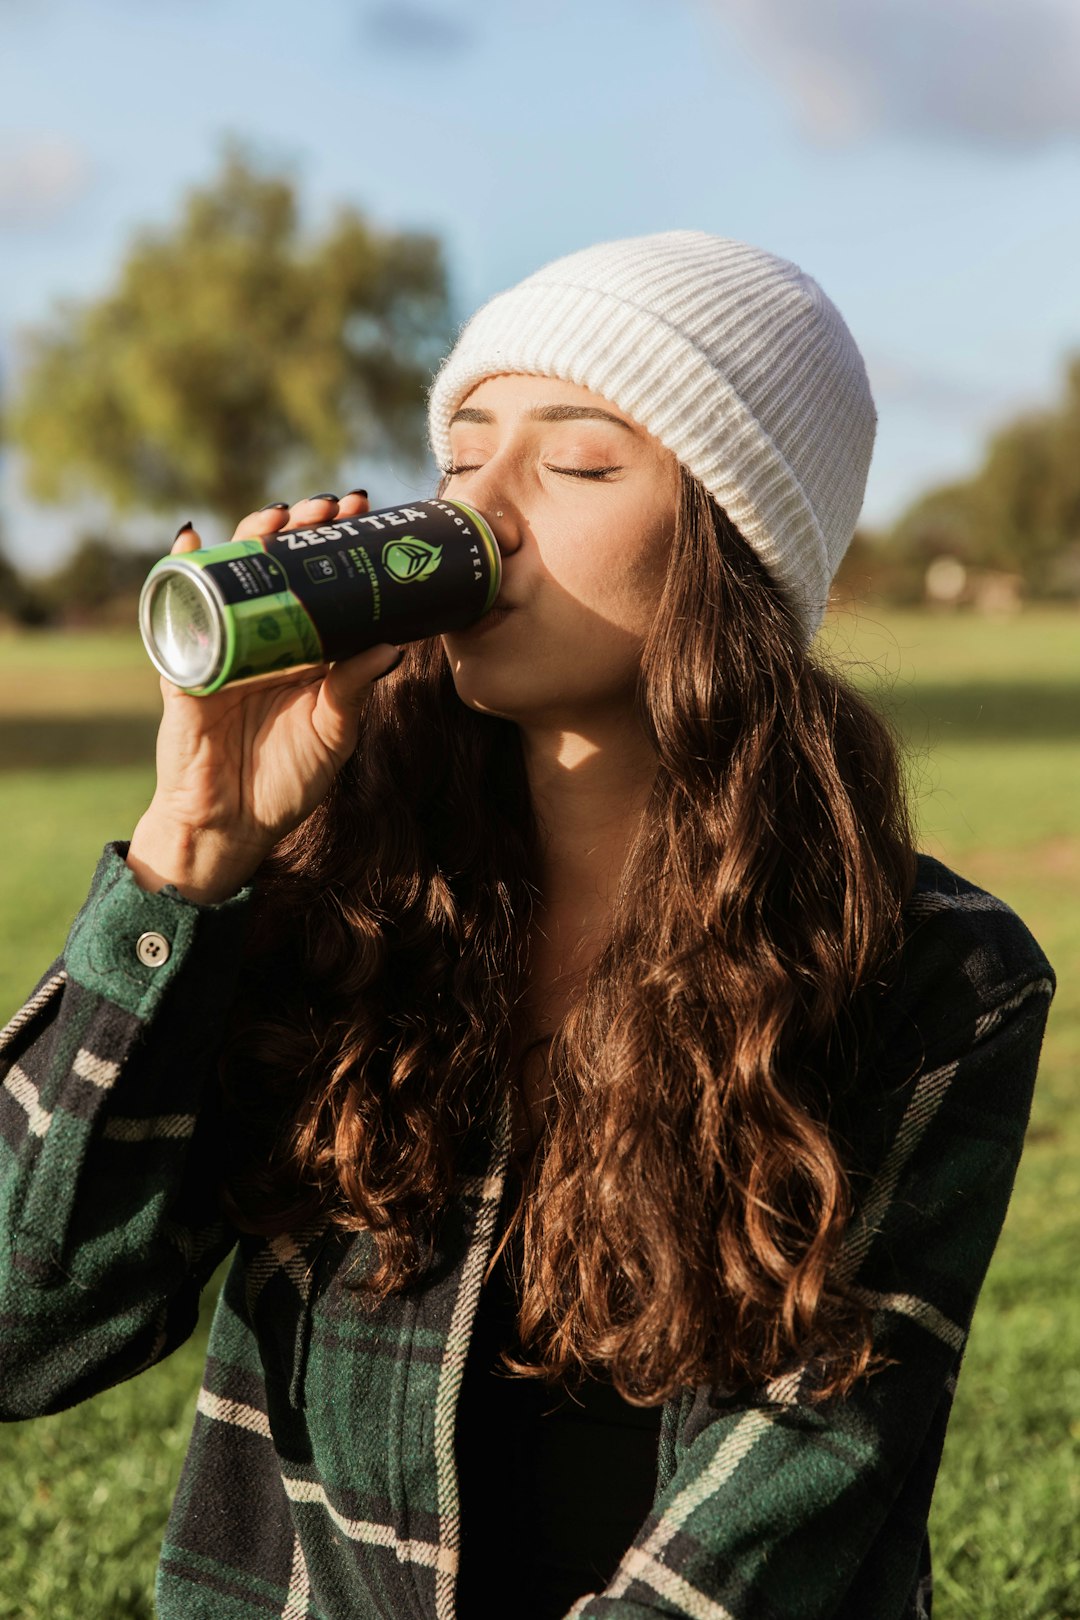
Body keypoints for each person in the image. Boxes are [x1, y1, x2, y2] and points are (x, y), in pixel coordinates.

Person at [0, 231, 1054, 1620]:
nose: (480, 512)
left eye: (576, 463)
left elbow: (791, 1496)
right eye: (459, 455)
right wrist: (191, 856)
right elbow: (24, 1329)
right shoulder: (333, 900)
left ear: (736, 546)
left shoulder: (926, 973)